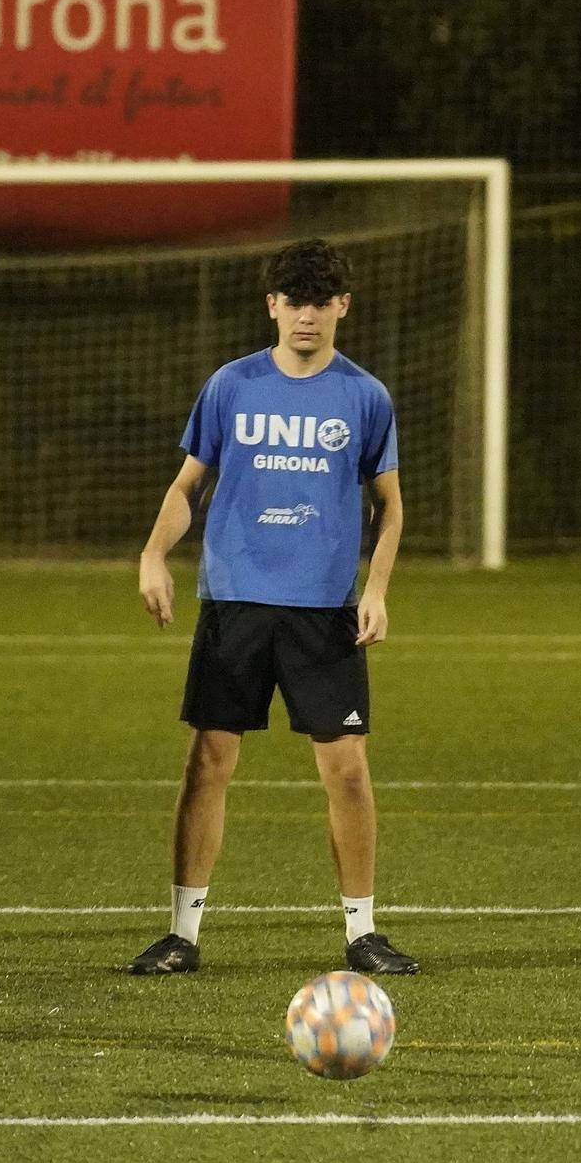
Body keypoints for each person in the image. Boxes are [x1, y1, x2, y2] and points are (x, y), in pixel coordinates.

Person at [127, 238, 420, 978]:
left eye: (321, 302)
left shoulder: (364, 396)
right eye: (294, 302)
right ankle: (182, 934)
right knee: (208, 762)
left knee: (347, 771)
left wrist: (377, 588)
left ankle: (363, 930)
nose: (307, 316)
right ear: (272, 305)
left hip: (324, 610)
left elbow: (390, 509)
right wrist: (152, 553)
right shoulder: (231, 386)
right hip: (234, 602)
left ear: (342, 306)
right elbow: (186, 487)